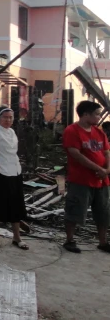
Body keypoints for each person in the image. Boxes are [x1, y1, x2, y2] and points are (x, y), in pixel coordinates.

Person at [62, 101, 110, 253]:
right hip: (81, 180)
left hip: (101, 180)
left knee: (103, 212)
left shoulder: (99, 132)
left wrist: (107, 170)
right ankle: (70, 240)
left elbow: (107, 152)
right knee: (75, 209)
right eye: (96, 114)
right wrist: (98, 168)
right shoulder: (72, 131)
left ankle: (103, 242)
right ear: (85, 114)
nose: (98, 117)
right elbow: (76, 154)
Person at [0, 107, 28, 250]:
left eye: (11, 117)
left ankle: (16, 236)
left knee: (16, 205)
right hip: (0, 173)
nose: (8, 120)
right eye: (5, 117)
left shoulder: (12, 132)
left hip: (14, 171)